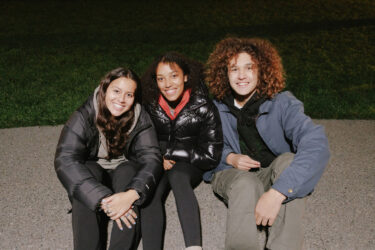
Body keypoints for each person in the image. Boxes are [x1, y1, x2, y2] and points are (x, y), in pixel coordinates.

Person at [204, 37, 330, 250]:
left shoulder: (282, 102)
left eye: (249, 68)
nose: (242, 75)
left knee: (290, 163)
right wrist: (229, 157)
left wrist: (277, 193)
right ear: (225, 74)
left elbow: (316, 143)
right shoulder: (214, 107)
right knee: (246, 184)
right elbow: (202, 148)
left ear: (262, 71)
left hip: (273, 173)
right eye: (234, 69)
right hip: (232, 174)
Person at [54, 67, 162, 250]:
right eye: (116, 91)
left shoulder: (140, 117)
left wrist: (132, 194)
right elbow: (65, 159)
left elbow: (152, 158)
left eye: (129, 95)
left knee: (129, 175)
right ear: (105, 88)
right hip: (94, 167)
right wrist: (101, 198)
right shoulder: (85, 114)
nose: (121, 99)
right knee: (86, 180)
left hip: (124, 168)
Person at [140, 52, 223, 250]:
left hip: (189, 164)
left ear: (186, 76)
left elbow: (211, 155)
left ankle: (193, 247)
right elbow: (139, 142)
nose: (167, 84)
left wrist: (171, 152)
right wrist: (158, 157)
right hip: (158, 161)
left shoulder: (203, 106)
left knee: (178, 175)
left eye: (174, 76)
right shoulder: (149, 105)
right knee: (150, 191)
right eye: (161, 78)